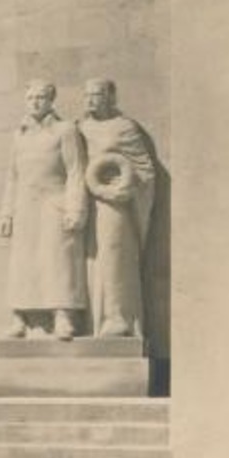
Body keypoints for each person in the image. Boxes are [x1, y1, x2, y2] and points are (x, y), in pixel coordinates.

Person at [0, 80, 88, 340]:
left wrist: (75, 208)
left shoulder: (65, 130)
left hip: (54, 201)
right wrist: (7, 212)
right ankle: (19, 317)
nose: (35, 102)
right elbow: (12, 177)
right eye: (31, 98)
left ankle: (63, 315)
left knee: (57, 258)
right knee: (22, 261)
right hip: (25, 204)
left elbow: (75, 171)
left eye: (40, 97)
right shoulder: (20, 134)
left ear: (51, 100)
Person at [79, 79, 157, 339]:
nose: (91, 99)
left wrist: (126, 187)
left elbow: (145, 169)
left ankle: (118, 317)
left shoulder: (125, 128)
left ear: (110, 97)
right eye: (87, 95)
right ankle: (90, 321)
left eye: (97, 94)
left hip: (114, 203)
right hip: (85, 202)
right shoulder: (80, 128)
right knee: (88, 260)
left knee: (114, 256)